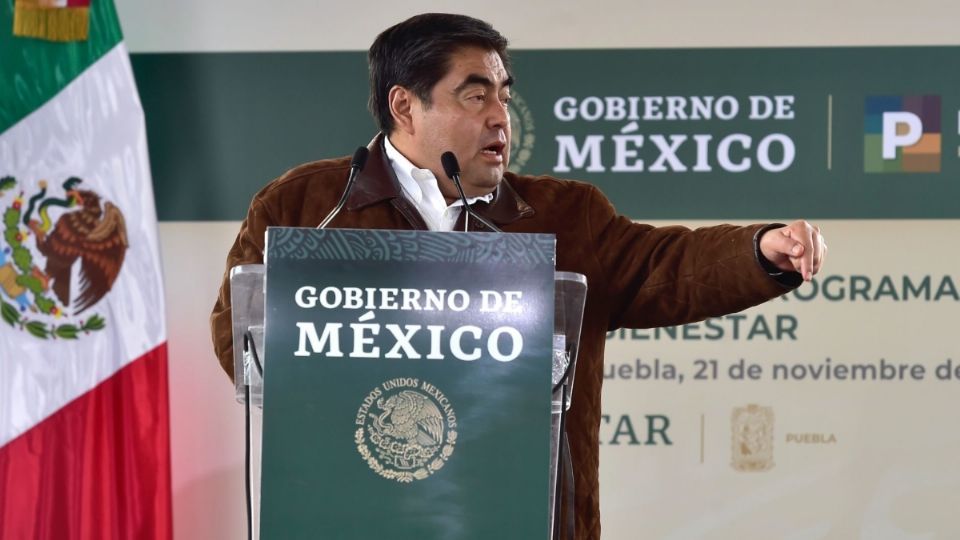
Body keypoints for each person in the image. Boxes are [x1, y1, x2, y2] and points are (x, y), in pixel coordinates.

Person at [210, 13, 826, 539]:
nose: (501, 116)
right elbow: (238, 341)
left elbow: (661, 268)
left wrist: (760, 250)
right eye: (475, 95)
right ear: (405, 105)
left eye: (504, 93)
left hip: (524, 515)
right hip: (357, 508)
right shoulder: (309, 207)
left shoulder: (563, 214)